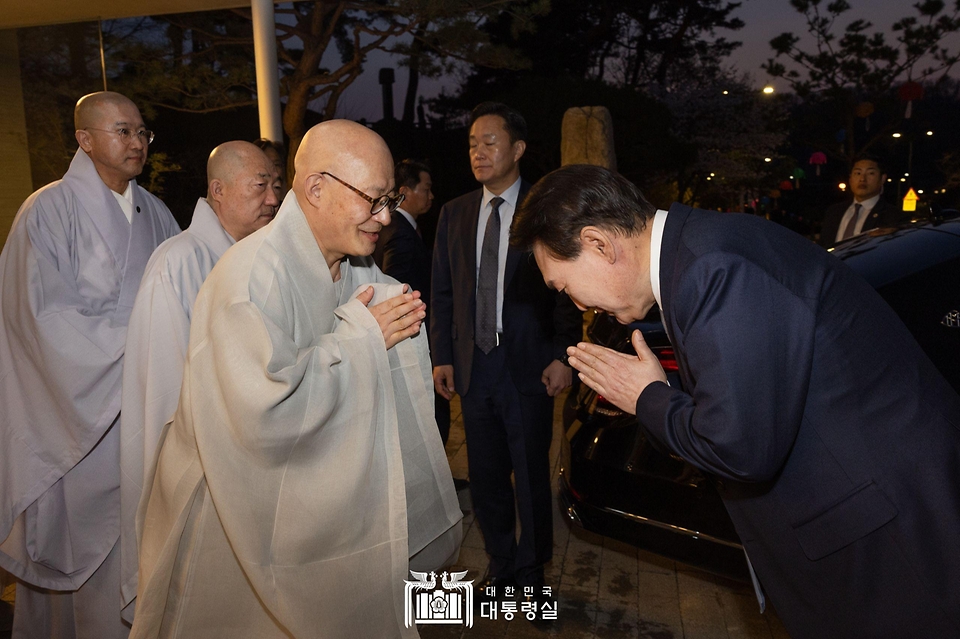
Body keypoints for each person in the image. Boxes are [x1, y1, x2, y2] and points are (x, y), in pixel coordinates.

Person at [511, 163, 960, 638]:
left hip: (888, 543)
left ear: (600, 243)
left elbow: (741, 448)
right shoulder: (699, 252)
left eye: (564, 286)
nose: (579, 306)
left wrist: (648, 398)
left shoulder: (713, 268)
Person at [131, 120, 462, 639]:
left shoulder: (358, 268)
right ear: (315, 188)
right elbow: (264, 415)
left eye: (390, 198)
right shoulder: (251, 278)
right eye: (373, 199)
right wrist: (362, 339)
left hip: (319, 516)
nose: (386, 215)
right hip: (240, 520)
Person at [0, 91, 179, 638]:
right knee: (82, 565)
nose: (137, 143)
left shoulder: (158, 211)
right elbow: (40, 318)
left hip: (147, 407)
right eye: (122, 131)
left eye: (142, 132)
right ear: (84, 139)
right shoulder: (47, 209)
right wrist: (147, 341)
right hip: (81, 414)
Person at [118, 141, 280, 621]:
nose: (273, 197)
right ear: (218, 191)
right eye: (260, 186)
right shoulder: (180, 261)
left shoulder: (257, 256)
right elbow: (169, 388)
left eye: (276, 185)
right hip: (201, 461)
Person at [430, 102, 582, 593]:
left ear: (517, 149)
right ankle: (499, 566)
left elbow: (568, 289)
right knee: (486, 477)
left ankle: (533, 572)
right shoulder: (453, 214)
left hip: (528, 367)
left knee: (532, 476)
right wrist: (442, 357)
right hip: (474, 368)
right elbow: (443, 292)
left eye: (489, 142)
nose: (478, 152)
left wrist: (564, 354)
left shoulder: (544, 212)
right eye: (472, 143)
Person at [373, 159, 451, 444]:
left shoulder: (394, 230)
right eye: (426, 189)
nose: (431, 197)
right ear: (404, 192)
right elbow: (395, 286)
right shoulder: (400, 234)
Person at [818, 155, 909, 248]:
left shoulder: (893, 217)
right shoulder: (834, 212)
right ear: (850, 179)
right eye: (858, 173)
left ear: (882, 179)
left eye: (870, 173)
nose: (862, 179)